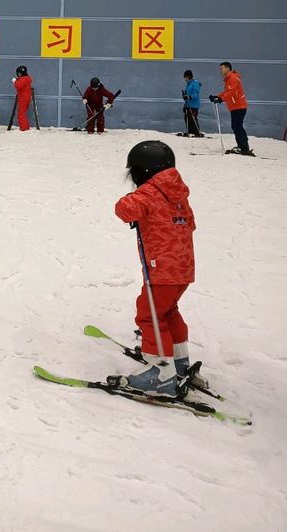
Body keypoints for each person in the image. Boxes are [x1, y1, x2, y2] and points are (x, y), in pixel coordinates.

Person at [110, 141, 196, 397]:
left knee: (149, 315)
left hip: (162, 270)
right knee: (168, 312)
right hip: (183, 270)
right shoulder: (178, 195)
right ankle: (179, 362)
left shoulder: (149, 193)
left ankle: (161, 372)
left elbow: (123, 209)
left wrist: (133, 199)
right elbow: (190, 224)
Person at [209, 62, 251, 155]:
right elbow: (227, 92)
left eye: (222, 68)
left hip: (239, 106)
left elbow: (231, 92)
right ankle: (242, 146)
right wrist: (217, 96)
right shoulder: (229, 79)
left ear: (228, 68)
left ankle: (244, 147)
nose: (220, 70)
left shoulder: (233, 78)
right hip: (235, 107)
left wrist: (220, 99)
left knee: (237, 126)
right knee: (236, 126)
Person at [179, 69, 203, 137]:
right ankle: (190, 131)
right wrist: (185, 96)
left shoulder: (195, 84)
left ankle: (196, 132)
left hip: (193, 105)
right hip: (188, 104)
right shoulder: (188, 84)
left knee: (193, 119)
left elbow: (195, 94)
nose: (184, 79)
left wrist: (189, 97)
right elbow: (188, 93)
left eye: (185, 77)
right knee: (187, 118)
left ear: (188, 77)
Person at [12, 65, 32, 131]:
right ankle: (26, 127)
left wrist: (15, 81)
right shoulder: (27, 78)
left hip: (23, 99)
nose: (18, 74)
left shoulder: (23, 79)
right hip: (26, 98)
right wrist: (17, 80)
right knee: (23, 114)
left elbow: (18, 86)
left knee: (21, 114)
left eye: (19, 73)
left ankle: (24, 129)